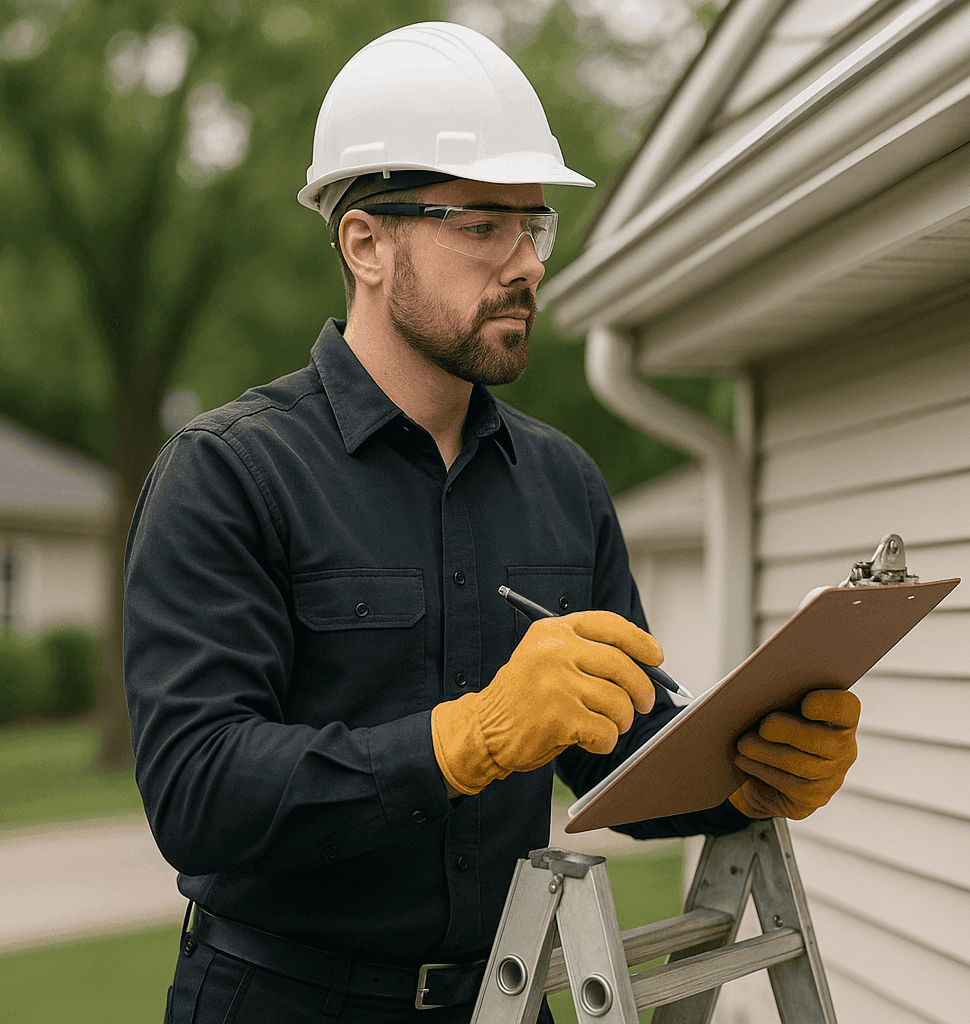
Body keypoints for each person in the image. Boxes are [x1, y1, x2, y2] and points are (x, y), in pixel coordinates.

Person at [123, 23, 861, 1024]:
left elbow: (619, 753)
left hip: (508, 998)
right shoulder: (228, 471)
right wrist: (472, 736)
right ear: (365, 242)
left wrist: (752, 771)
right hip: (280, 999)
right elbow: (197, 793)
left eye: (534, 225)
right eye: (482, 226)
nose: (525, 264)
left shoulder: (565, 482)